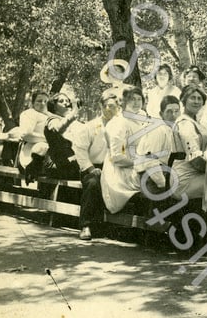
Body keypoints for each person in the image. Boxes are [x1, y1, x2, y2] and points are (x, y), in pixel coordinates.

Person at [71, 88, 118, 241]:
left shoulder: (120, 126)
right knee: (92, 184)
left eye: (114, 106)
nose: (110, 109)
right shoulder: (90, 126)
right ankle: (86, 226)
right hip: (93, 167)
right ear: (101, 106)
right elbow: (80, 149)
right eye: (108, 105)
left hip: (114, 167)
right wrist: (91, 168)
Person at [100, 86, 150, 214]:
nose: (136, 102)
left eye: (139, 99)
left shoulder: (141, 118)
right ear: (124, 101)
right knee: (156, 180)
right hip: (120, 170)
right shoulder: (119, 123)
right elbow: (117, 157)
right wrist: (141, 163)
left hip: (137, 164)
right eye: (132, 99)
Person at [134, 95, 184, 202]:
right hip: (150, 177)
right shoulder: (158, 129)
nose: (173, 115)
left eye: (176, 111)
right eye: (169, 112)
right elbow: (150, 162)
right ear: (161, 114)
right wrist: (163, 184)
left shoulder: (174, 130)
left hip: (165, 173)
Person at [171, 84, 207, 204]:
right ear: (184, 100)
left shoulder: (195, 122)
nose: (196, 101)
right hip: (184, 179)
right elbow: (195, 160)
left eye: (199, 98)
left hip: (196, 173)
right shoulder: (184, 123)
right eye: (192, 98)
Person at [41, 93, 81, 180]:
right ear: (54, 106)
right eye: (61, 101)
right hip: (56, 163)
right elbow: (58, 129)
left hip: (68, 161)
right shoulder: (52, 119)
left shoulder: (69, 121)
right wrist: (73, 113)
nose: (66, 103)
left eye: (67, 101)